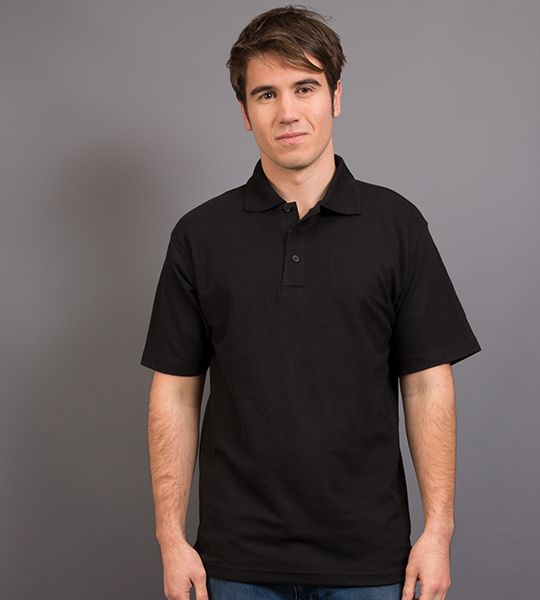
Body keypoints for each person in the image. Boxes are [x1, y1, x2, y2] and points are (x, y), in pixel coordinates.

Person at [140, 5, 482, 600]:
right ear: (244, 112)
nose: (288, 112)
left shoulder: (397, 225)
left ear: (336, 97)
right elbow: (175, 391)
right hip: (236, 563)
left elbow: (429, 384)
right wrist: (171, 540)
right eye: (266, 94)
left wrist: (439, 533)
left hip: (372, 562)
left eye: (305, 87)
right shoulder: (200, 235)